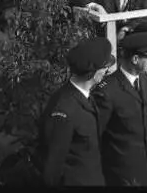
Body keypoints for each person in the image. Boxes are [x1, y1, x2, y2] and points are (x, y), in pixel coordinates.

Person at [37, 37, 115, 186]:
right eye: (105, 67)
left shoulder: (84, 96)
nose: (107, 71)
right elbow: (53, 168)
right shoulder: (64, 110)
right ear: (94, 72)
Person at [92, 32, 147, 186]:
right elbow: (95, 135)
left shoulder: (144, 79)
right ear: (135, 59)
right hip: (121, 173)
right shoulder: (107, 91)